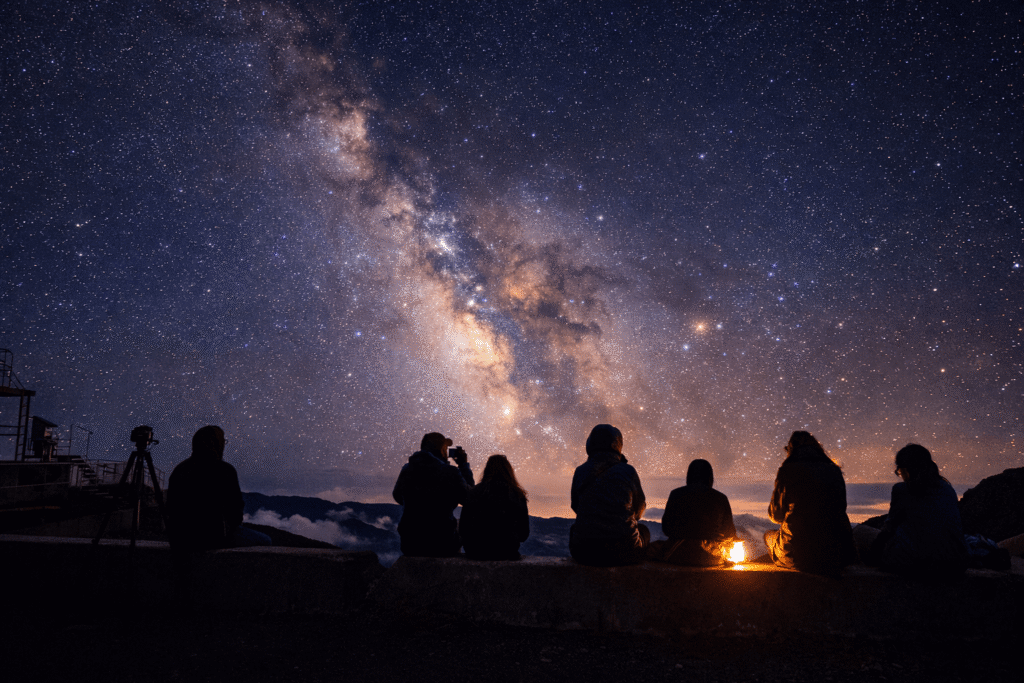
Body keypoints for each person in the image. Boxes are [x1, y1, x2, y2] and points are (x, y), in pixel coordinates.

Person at [859, 444, 968, 578]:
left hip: (917, 564)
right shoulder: (948, 489)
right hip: (956, 564)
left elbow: (889, 528)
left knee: (860, 532)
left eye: (899, 471)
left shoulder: (902, 490)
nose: (900, 476)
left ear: (907, 469)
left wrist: (874, 553)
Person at [763, 431, 856, 576]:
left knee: (768, 536)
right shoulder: (835, 470)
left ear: (791, 449)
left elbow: (776, 516)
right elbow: (840, 507)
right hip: (839, 555)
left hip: (801, 556)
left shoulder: (787, 470)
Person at [167, 425, 270, 552]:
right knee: (266, 540)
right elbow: (235, 510)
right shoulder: (225, 470)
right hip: (214, 537)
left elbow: (171, 506)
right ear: (217, 443)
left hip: (181, 537)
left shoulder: (180, 470)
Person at [569, 424, 649, 566]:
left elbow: (576, 506)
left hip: (584, 552)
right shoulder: (628, 471)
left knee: (574, 529)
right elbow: (639, 508)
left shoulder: (580, 471)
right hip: (624, 551)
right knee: (644, 531)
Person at [392, 432, 475, 557]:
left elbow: (397, 495)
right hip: (441, 544)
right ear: (442, 450)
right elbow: (470, 499)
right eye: (446, 449)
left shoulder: (407, 469)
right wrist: (463, 465)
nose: (447, 453)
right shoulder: (450, 472)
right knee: (460, 524)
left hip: (410, 544)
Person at [655, 458, 737, 566]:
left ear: (689, 475)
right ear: (710, 477)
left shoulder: (676, 494)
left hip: (678, 554)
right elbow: (729, 532)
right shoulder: (721, 498)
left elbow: (666, 528)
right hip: (711, 558)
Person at [459, 455, 530, 560]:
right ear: (509, 471)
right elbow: (523, 533)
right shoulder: (516, 494)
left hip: (476, 552)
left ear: (486, 470)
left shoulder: (475, 492)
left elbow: (463, 528)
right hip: (507, 552)